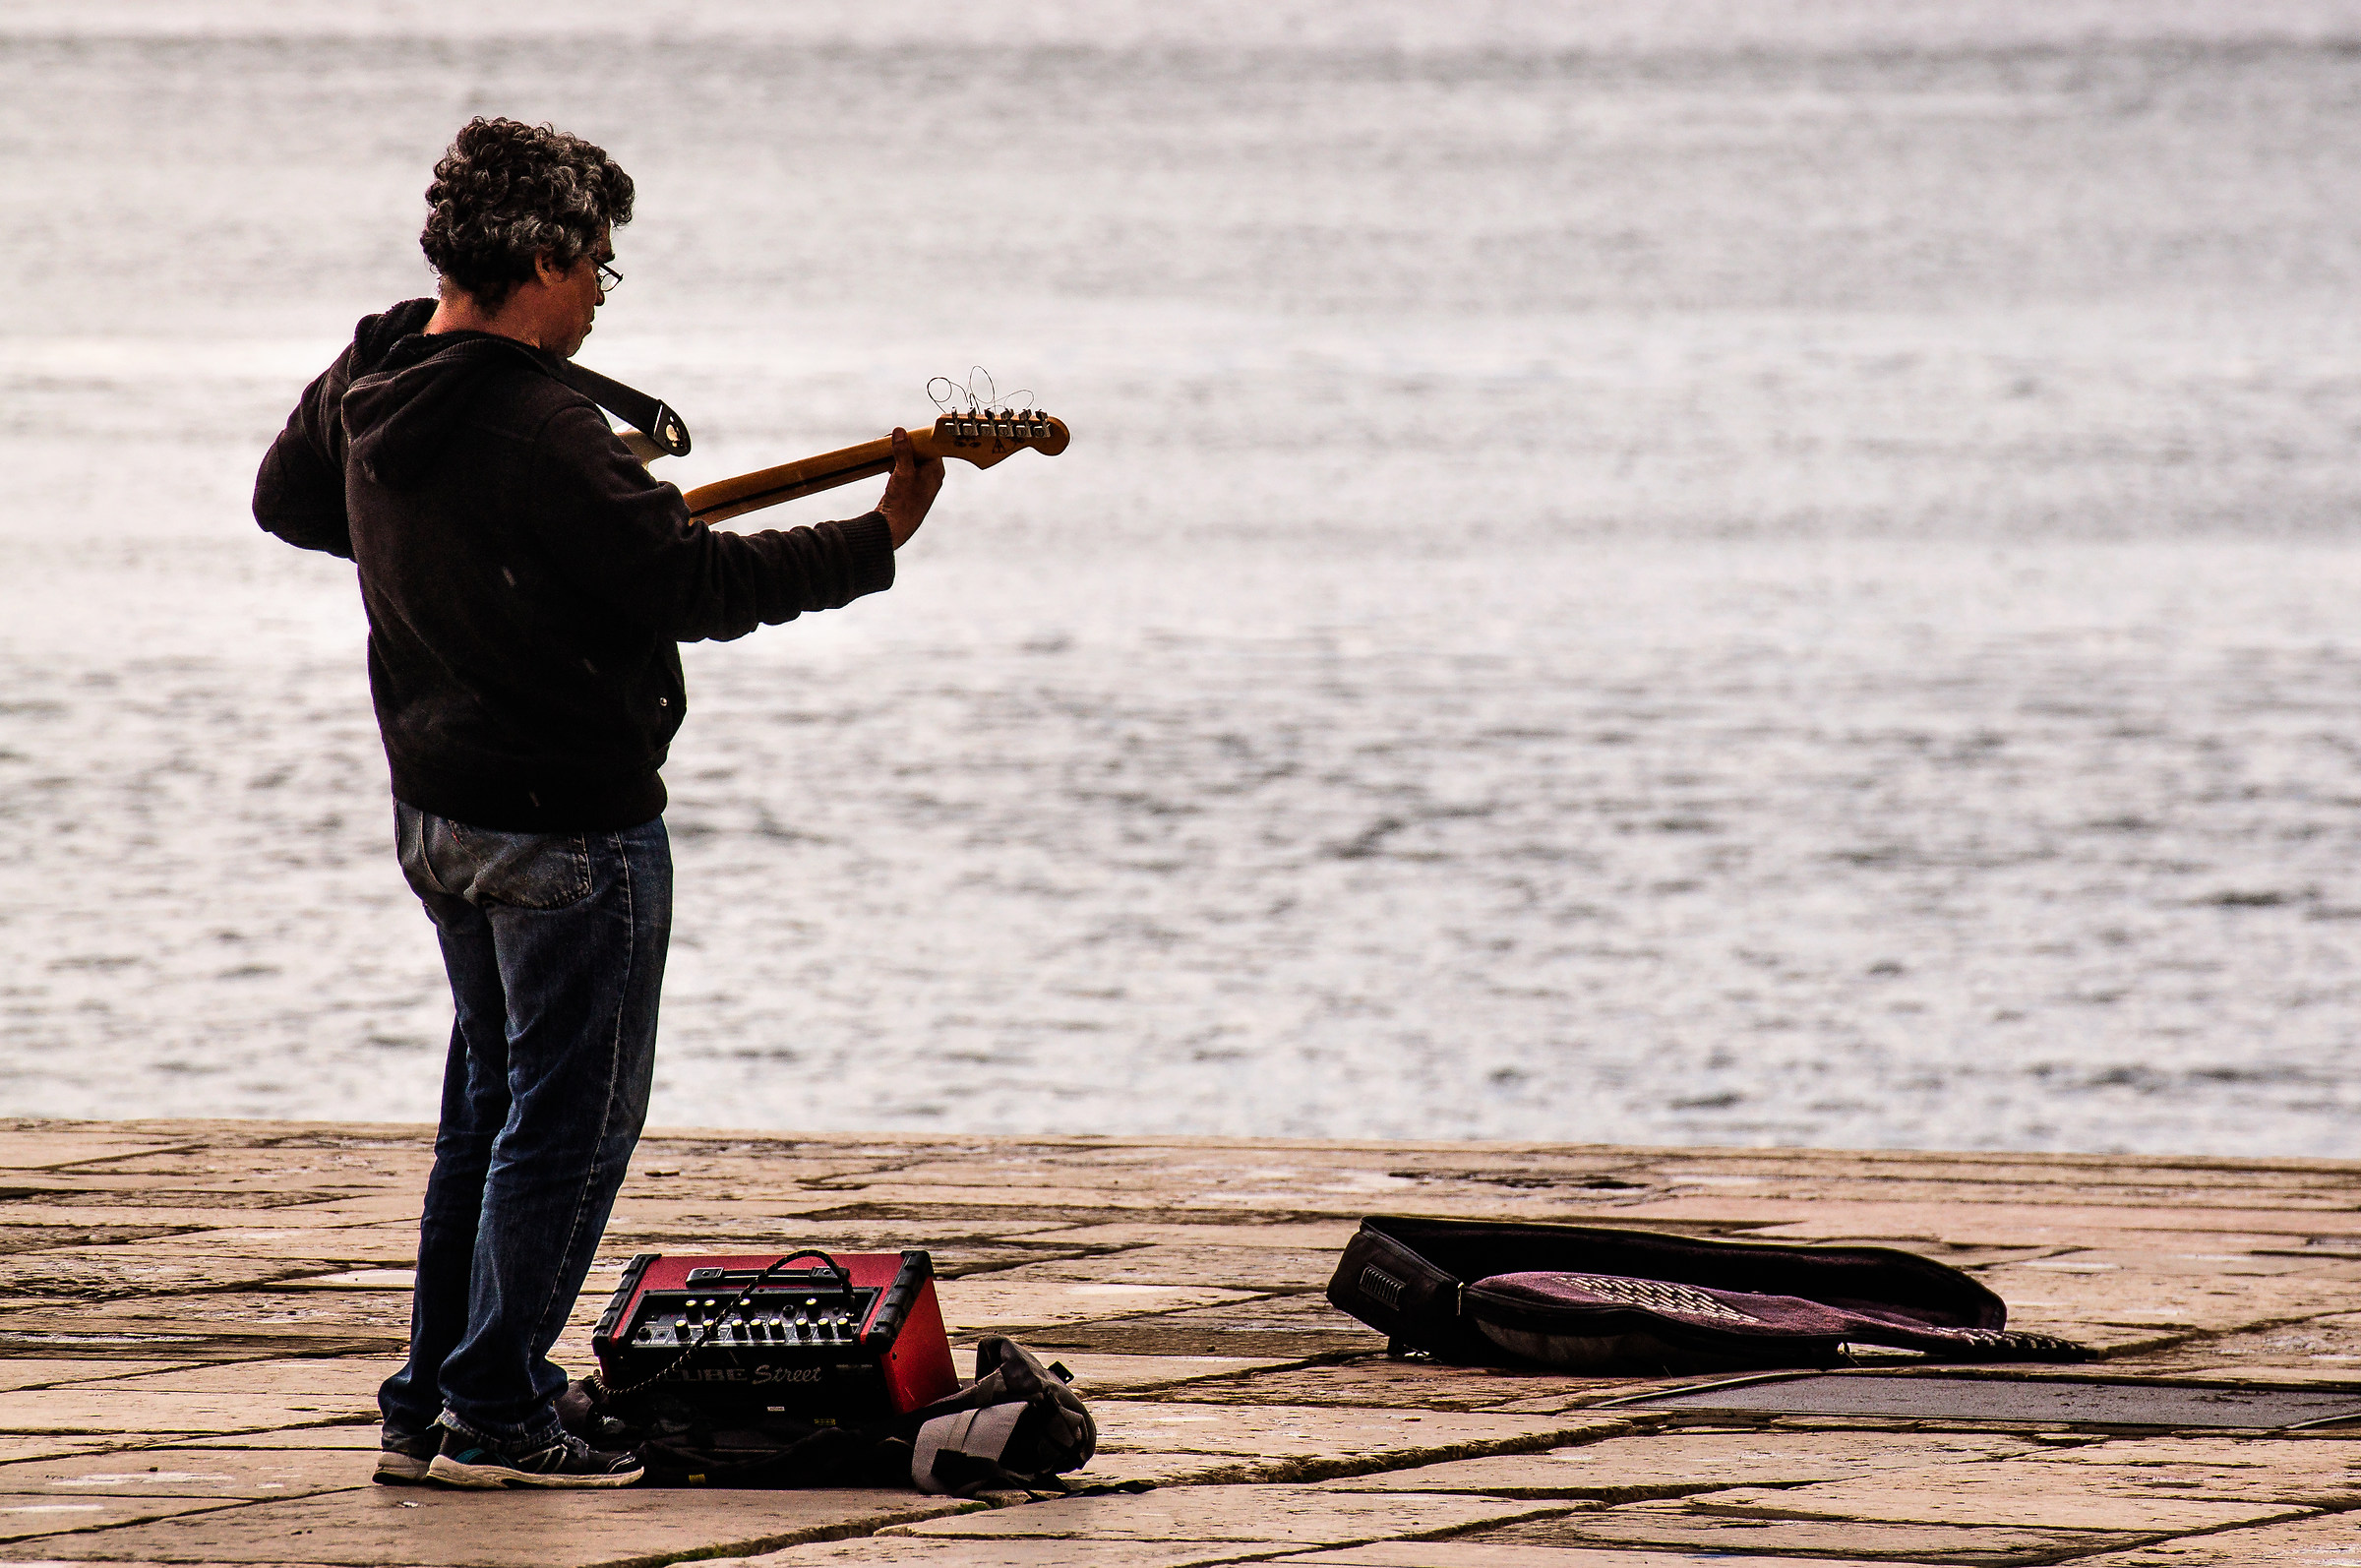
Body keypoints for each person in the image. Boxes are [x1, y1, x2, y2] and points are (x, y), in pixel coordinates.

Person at [251, 117, 942, 1489]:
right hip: (569, 824)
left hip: (439, 814)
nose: (597, 302)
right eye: (599, 270)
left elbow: (292, 500)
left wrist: (449, 530)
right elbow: (698, 588)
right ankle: (497, 1414)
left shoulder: (378, 377)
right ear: (547, 256)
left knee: (487, 1107)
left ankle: (431, 1400)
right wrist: (882, 535)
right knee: (565, 1124)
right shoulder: (552, 429)